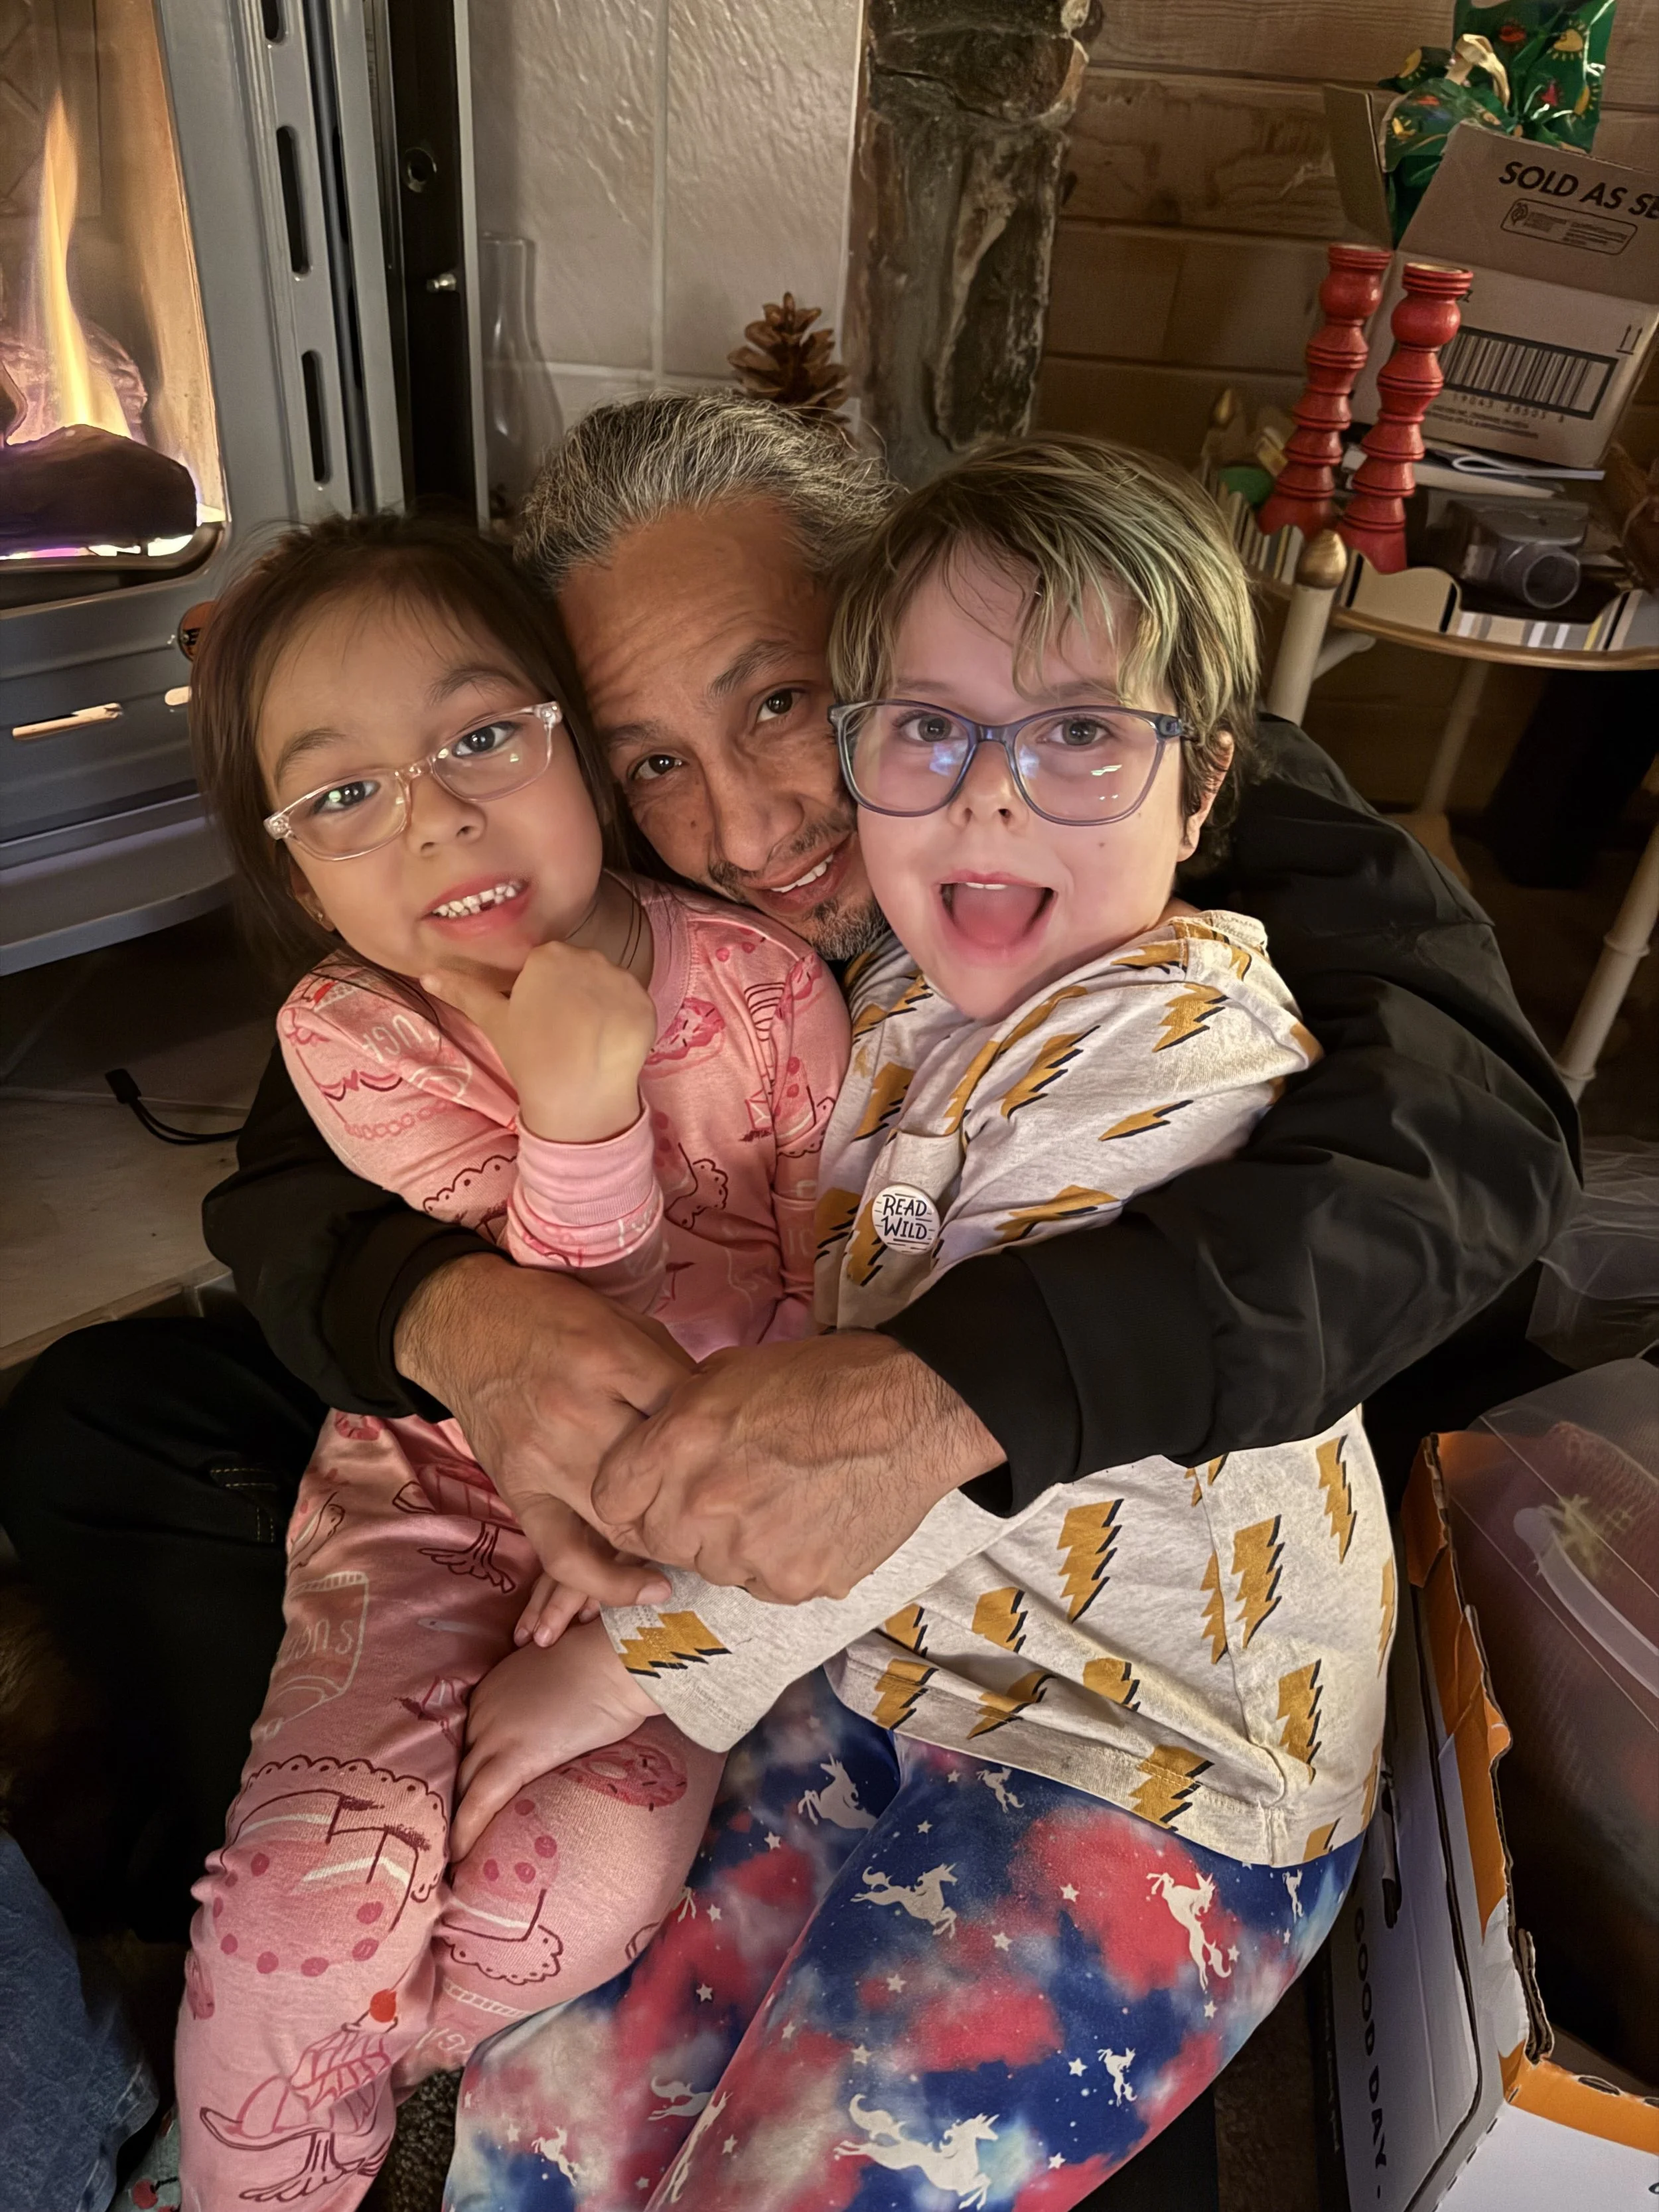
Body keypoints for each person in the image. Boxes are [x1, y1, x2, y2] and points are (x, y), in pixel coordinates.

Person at [0, 397, 1572, 2010]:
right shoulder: (564, 843)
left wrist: (959, 1389)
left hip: (1073, 1521)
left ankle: (406, 1908)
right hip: (633, 1393)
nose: (747, 828)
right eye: (652, 762)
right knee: (101, 1417)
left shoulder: (1118, 758)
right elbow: (296, 1160)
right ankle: (313, 1890)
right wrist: (457, 1321)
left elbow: (1479, 1142)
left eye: (786, 701)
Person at [443, 437, 1389, 2207]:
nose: (987, 803)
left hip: (1160, 1765)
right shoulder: (875, 984)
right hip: (887, 1670)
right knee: (539, 2116)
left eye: (1079, 736)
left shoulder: (1184, 1051)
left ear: (1205, 793)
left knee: (806, 2175)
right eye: (923, 733)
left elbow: (901, 1466)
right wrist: (632, 1514)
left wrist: (622, 1659)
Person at [165, 511, 848, 2211]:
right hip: (432, 1489)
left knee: (565, 1891)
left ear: (577, 747)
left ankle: (361, 2062)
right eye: (343, 797)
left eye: (481, 739)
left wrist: (655, 1598)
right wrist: (580, 1108)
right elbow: (552, 1347)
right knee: (299, 1902)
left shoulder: (768, 997)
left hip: (691, 1521)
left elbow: (827, 1312)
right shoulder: (349, 1034)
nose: (435, 817)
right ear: (296, 864)